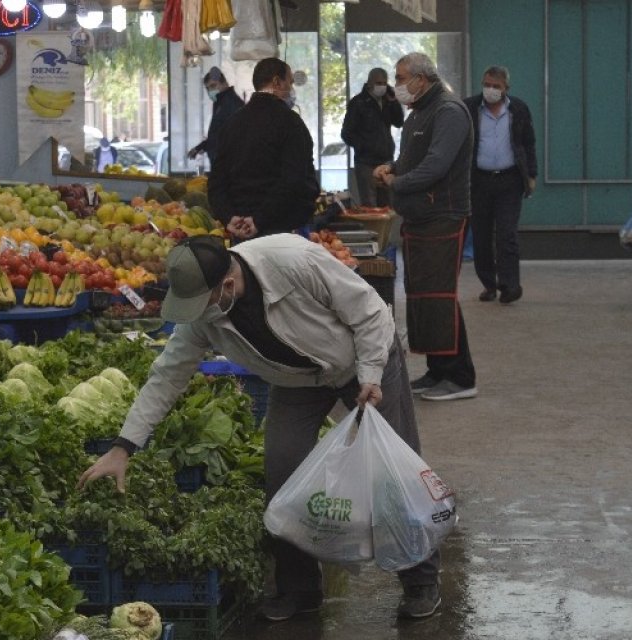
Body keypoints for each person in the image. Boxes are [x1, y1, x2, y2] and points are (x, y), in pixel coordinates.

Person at [77, 234, 443, 621]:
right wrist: (123, 447)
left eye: (204, 302)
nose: (198, 312)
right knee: (283, 476)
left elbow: (370, 311)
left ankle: (420, 579)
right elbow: (167, 376)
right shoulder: (205, 313)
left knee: (393, 474)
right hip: (296, 382)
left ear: (229, 285)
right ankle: (299, 589)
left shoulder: (293, 260)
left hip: (363, 359)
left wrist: (371, 373)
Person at [373, 52, 477, 401]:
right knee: (423, 295)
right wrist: (391, 166)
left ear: (422, 77)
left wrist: (396, 184)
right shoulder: (420, 111)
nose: (397, 85)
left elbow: (436, 166)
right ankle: (438, 370)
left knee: (438, 295)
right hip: (420, 217)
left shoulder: (448, 111)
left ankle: (460, 377)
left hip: (441, 216)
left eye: (401, 78)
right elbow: (410, 160)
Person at [209, 57, 320, 241]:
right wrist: (259, 220)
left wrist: (229, 217)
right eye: (290, 82)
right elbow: (294, 180)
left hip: (240, 233)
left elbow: (216, 181)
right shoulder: (291, 123)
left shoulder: (232, 124)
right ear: (277, 82)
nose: (292, 90)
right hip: (281, 232)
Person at [463, 65, 538, 304]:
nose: (491, 90)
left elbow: (528, 143)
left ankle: (510, 285)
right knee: (482, 236)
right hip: (479, 181)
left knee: (507, 235)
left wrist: (532, 175)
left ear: (506, 88)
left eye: (496, 86)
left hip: (510, 180)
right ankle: (489, 284)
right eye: (487, 84)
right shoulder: (469, 108)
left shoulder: (519, 109)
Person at [341, 67, 404, 207]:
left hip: (386, 162)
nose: (381, 86)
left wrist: (394, 101)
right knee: (370, 205)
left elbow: (399, 122)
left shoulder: (387, 101)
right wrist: (364, 146)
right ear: (369, 83)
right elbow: (347, 133)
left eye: (384, 83)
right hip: (366, 163)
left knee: (387, 205)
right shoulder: (358, 103)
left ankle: (383, 230)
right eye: (378, 83)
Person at [186, 67, 245, 165]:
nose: (210, 90)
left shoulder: (232, 103)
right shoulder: (220, 103)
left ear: (224, 83)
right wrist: (200, 147)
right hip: (221, 164)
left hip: (229, 166)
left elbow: (235, 138)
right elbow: (217, 134)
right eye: (208, 88)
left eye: (213, 86)